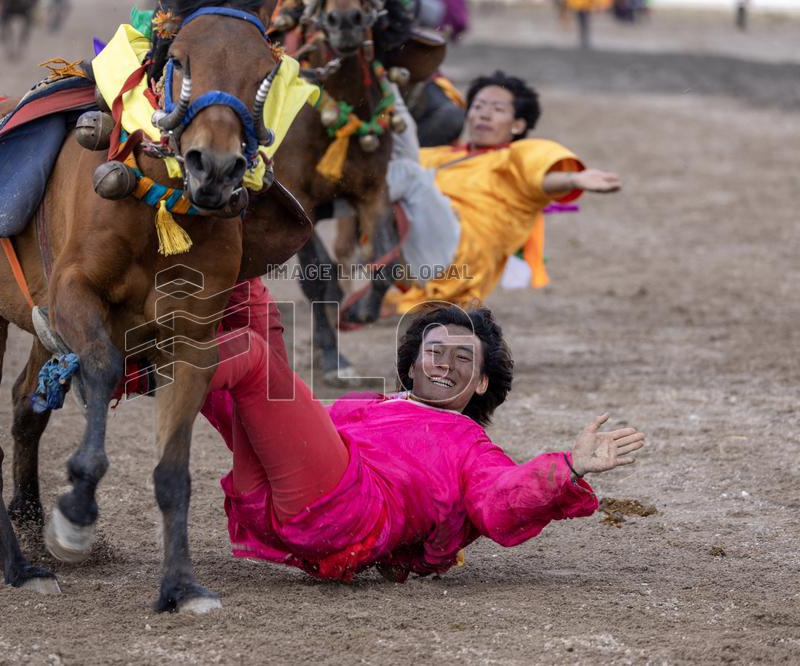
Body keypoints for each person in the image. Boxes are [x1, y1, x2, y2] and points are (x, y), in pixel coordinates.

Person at [199, 278, 645, 581]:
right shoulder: (370, 405)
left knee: (253, 357)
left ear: (483, 382)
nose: (446, 363)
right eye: (435, 351)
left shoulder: (470, 444)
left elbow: (502, 499)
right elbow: (271, 428)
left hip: (342, 513)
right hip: (282, 502)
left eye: (464, 358)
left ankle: (136, 373)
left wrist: (570, 467)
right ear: (412, 366)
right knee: (252, 299)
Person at [345, 70, 621, 324]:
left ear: (517, 125)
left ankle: (351, 195)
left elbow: (544, 179)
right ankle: (379, 74)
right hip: (415, 258)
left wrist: (573, 179)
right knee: (402, 135)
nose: (484, 115)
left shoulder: (516, 156)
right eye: (477, 106)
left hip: (458, 260)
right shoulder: (440, 155)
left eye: (497, 109)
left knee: (407, 171)